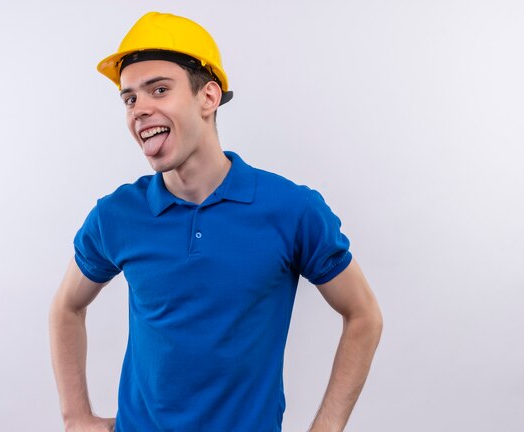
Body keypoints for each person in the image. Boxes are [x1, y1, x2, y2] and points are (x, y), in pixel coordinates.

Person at [49, 11, 382, 432]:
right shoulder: (116, 215)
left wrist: (327, 427)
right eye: (130, 98)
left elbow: (364, 314)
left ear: (208, 97)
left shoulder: (291, 209)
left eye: (159, 90)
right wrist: (75, 416)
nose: (140, 109)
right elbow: (67, 306)